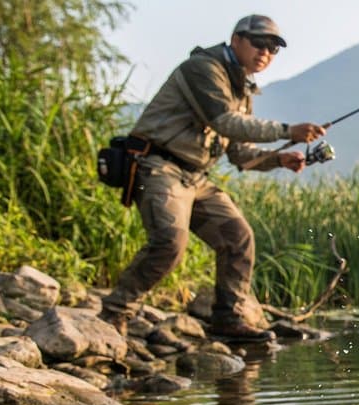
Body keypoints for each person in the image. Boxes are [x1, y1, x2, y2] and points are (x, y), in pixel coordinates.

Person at [100, 14, 326, 341]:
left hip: (194, 177)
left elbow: (240, 154)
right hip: (159, 165)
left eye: (274, 48)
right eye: (259, 43)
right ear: (236, 40)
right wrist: (286, 131)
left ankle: (227, 320)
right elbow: (225, 122)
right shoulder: (203, 69)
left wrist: (280, 158)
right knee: (170, 243)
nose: (266, 52)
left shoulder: (243, 89)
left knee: (238, 237)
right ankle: (114, 313)